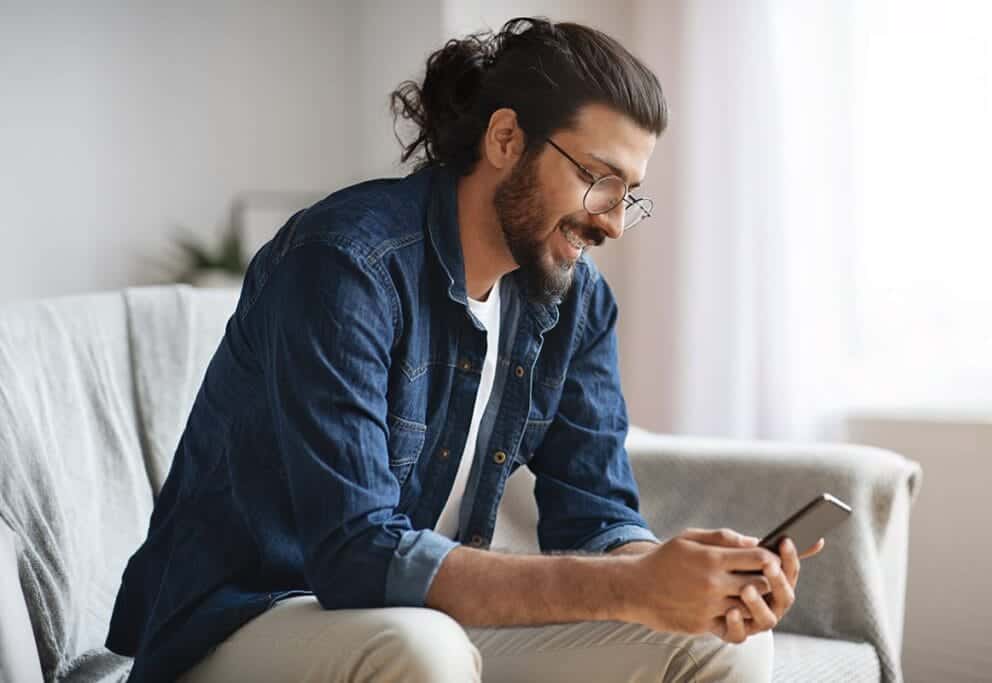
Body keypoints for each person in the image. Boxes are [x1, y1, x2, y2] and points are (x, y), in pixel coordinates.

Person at [106, 17, 822, 683]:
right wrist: (631, 586)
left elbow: (596, 513)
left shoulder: (576, 300)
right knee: (425, 647)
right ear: (506, 139)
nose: (613, 223)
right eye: (599, 180)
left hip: (405, 616)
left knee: (718, 640)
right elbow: (357, 555)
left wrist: (685, 578)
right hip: (243, 612)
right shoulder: (344, 265)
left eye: (629, 194)